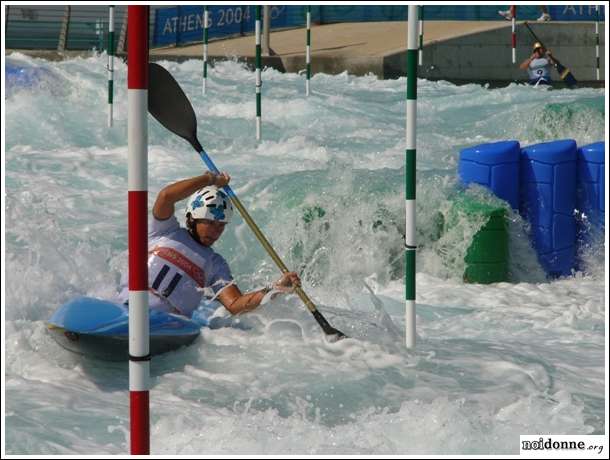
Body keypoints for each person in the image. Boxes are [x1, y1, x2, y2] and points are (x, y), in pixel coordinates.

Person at [117, 171, 301, 318]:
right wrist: (209, 179)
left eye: (221, 226)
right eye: (210, 223)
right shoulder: (164, 231)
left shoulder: (215, 264)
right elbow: (166, 196)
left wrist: (275, 289)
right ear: (192, 219)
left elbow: (235, 305)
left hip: (167, 322)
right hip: (127, 307)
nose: (216, 231)